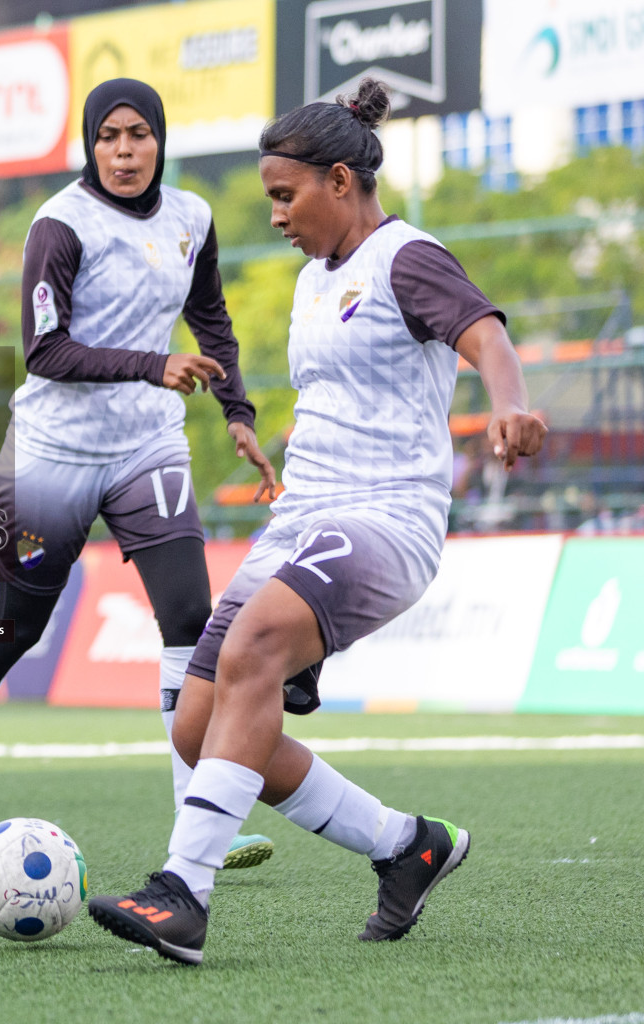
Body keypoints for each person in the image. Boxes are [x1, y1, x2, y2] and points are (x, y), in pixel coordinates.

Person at [85, 80, 547, 965]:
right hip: (304, 517)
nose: (276, 215)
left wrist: (512, 406)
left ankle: (182, 893)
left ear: (342, 181)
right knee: (197, 720)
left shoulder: (406, 257)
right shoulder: (310, 282)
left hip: (384, 519)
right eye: (270, 198)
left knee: (254, 649)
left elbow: (485, 333)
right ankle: (403, 844)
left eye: (284, 195)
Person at [0, 79, 278, 868]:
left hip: (149, 448)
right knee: (19, 623)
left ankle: (196, 819)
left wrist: (237, 412)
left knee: (188, 615)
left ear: (161, 140)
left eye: (140, 135)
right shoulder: (59, 225)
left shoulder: (193, 218)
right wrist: (153, 363)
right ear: (90, 144)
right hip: (52, 452)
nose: (127, 151)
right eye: (110, 137)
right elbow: (46, 352)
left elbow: (211, 319)